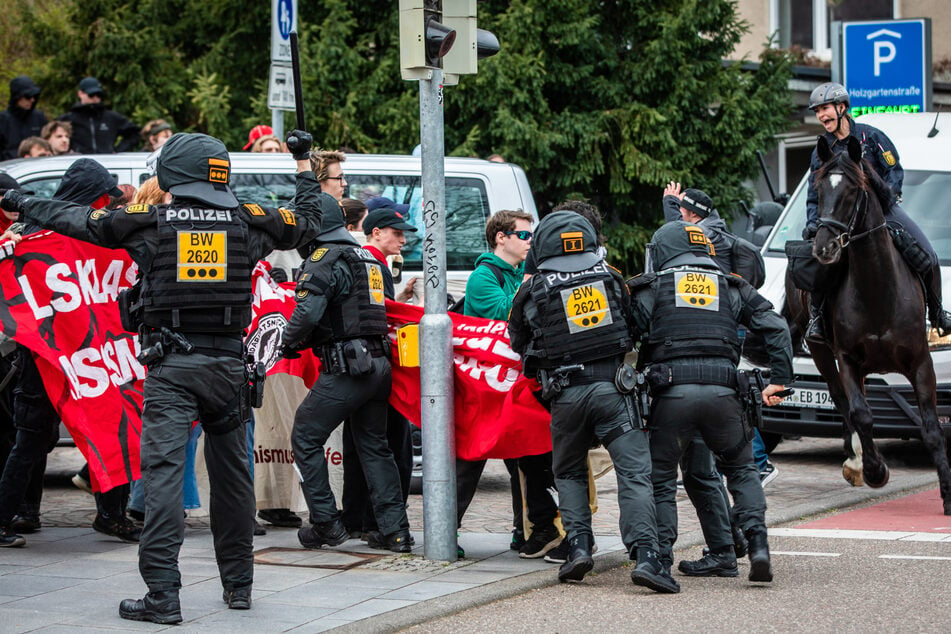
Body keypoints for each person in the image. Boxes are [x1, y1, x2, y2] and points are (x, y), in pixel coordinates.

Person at [0, 129, 322, 622]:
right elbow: (309, 221)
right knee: (234, 481)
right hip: (230, 368)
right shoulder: (249, 222)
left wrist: (20, 201)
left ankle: (163, 596)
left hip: (171, 369)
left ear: (173, 173)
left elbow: (76, 219)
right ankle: (239, 588)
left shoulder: (149, 223)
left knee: (164, 479)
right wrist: (302, 164)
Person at [508, 211, 677, 592]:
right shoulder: (610, 276)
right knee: (633, 474)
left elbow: (517, 341)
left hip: (565, 395)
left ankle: (579, 548)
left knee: (568, 472)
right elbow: (634, 326)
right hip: (614, 391)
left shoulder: (533, 289)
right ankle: (648, 556)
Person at [628, 221, 794, 585]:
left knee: (659, 478)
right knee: (738, 470)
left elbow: (625, 334)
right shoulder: (732, 286)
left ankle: (660, 559)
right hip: (724, 396)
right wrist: (781, 379)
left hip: (671, 397)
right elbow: (777, 328)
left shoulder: (652, 288)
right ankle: (753, 547)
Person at [0, 158, 132, 548]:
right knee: (30, 442)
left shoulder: (96, 232)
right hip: (44, 359)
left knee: (107, 428)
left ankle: (112, 515)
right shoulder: (31, 235)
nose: (106, 205)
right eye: (102, 198)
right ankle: (5, 516)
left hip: (89, 354)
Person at [281, 199, 413, 555]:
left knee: (306, 435)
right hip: (378, 365)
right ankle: (395, 531)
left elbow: (308, 312)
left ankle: (325, 522)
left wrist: (285, 342)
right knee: (375, 446)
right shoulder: (368, 258)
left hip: (346, 367)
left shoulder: (324, 258)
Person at [803, 81, 951, 341]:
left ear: (842, 107)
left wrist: (886, 201)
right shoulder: (821, 150)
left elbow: (894, 171)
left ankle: (938, 313)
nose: (821, 116)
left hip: (882, 211)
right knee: (818, 264)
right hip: (840, 220)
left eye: (825, 108)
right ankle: (816, 320)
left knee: (928, 253)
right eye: (817, 111)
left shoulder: (872, 137)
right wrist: (814, 222)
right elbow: (814, 193)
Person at [457, 210, 562, 559]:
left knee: (525, 456)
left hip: (513, 386)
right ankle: (445, 530)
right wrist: (532, 281)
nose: (531, 242)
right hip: (483, 388)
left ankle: (526, 529)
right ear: (501, 238)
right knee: (470, 460)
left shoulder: (517, 274)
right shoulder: (483, 276)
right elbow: (506, 314)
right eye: (525, 235)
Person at [340, 207, 417, 539]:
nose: (402, 239)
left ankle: (356, 517)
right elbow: (380, 318)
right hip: (378, 366)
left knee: (359, 445)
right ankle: (379, 521)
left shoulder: (366, 260)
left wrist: (399, 299)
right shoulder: (374, 263)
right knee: (389, 445)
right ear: (376, 233)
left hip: (358, 367)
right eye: (396, 233)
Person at [57, 77, 140, 154]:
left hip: (107, 163)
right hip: (79, 163)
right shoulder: (68, 119)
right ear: (80, 94)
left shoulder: (111, 118)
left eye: (98, 94)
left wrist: (117, 151)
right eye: (91, 94)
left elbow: (134, 133)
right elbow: (52, 137)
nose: (95, 98)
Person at [0, 76, 47, 161]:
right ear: (17, 97)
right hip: (9, 167)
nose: (32, 100)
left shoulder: (39, 117)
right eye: (28, 96)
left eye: (35, 96)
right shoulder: (3, 120)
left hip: (37, 166)